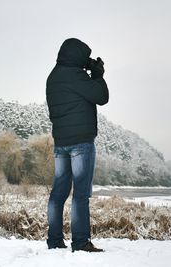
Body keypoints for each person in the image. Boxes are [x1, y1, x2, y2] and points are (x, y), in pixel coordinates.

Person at [45, 38, 109, 252]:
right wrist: (98, 74)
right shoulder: (77, 76)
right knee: (81, 194)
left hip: (60, 142)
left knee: (58, 193)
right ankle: (80, 242)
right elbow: (101, 96)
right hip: (81, 142)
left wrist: (88, 71)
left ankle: (54, 241)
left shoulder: (53, 77)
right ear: (77, 56)